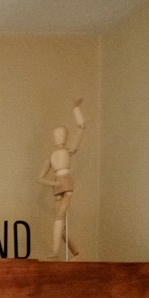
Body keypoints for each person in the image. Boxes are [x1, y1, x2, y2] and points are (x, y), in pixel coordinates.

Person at [38, 98, 86, 260]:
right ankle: (76, 253)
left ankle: (55, 252)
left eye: (61, 134)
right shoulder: (51, 155)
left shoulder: (68, 150)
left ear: (65, 136)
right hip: (57, 185)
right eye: (56, 135)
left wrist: (75, 109)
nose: (59, 137)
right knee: (61, 225)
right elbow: (40, 178)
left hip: (66, 182)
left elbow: (81, 127)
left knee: (59, 218)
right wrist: (53, 183)